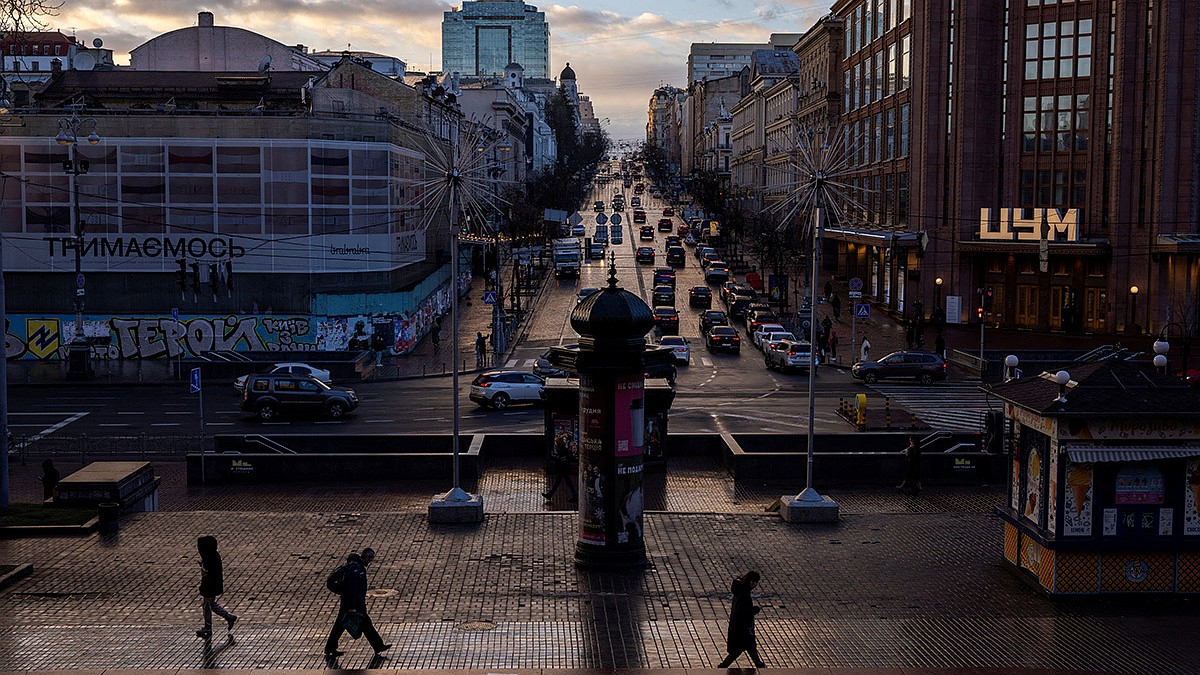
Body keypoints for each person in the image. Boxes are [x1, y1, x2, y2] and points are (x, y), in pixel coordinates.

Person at [325, 548, 390, 658]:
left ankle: (378, 645)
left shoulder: (357, 567)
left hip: (353, 603)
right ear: (365, 557)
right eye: (369, 558)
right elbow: (352, 590)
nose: (370, 561)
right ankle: (378, 645)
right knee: (360, 625)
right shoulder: (356, 570)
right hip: (352, 604)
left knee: (349, 625)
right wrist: (352, 607)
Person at [716, 571, 766, 668]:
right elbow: (745, 612)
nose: (756, 585)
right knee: (744, 647)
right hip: (743, 628)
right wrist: (755, 609)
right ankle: (758, 664)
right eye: (755, 582)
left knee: (745, 648)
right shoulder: (745, 595)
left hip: (738, 626)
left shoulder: (739, 591)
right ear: (751, 582)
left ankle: (758, 663)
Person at [195, 536, 237, 639]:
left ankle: (209, 626)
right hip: (214, 585)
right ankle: (227, 617)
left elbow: (206, 573)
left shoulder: (209, 557)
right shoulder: (214, 555)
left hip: (209, 586)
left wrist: (202, 566)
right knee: (210, 604)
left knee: (208, 605)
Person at [542, 436, 577, 502]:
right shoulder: (563, 449)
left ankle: (575, 496)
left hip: (563, 469)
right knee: (565, 483)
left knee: (566, 483)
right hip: (564, 469)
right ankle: (550, 494)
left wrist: (556, 458)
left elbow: (561, 460)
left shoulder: (561, 450)